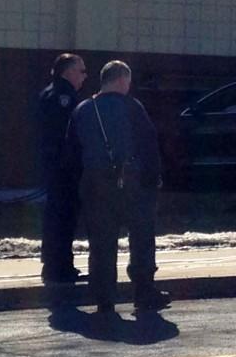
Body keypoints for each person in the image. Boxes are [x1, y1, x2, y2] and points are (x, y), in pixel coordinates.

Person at [64, 61, 170, 314]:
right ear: (122, 80)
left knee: (101, 242)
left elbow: (71, 152)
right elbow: (149, 144)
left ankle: (104, 298)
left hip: (95, 183)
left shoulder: (83, 109)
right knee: (141, 237)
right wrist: (153, 179)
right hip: (132, 182)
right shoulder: (132, 107)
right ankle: (144, 292)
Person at [37, 53, 87, 284]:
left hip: (54, 167)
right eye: (81, 71)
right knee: (64, 217)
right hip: (64, 169)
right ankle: (60, 267)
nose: (84, 76)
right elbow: (67, 135)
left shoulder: (49, 92)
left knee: (56, 216)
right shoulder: (64, 97)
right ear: (68, 72)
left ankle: (56, 263)